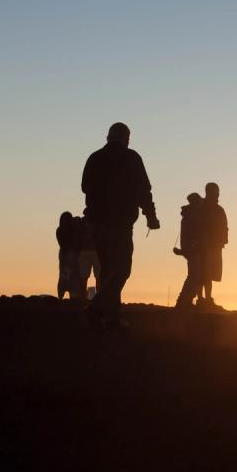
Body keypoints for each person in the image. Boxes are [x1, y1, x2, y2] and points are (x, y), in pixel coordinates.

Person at [81, 122, 160, 330]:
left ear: (108, 137)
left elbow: (85, 187)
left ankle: (112, 317)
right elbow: (144, 190)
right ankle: (97, 308)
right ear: (126, 138)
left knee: (108, 270)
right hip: (120, 224)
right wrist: (150, 216)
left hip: (97, 223)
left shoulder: (95, 157)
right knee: (122, 269)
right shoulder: (131, 158)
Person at [199, 182, 228, 309]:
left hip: (215, 246)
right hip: (203, 246)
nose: (217, 195)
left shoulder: (218, 209)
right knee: (202, 273)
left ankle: (206, 298)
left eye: (218, 192)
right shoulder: (201, 207)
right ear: (208, 192)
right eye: (216, 192)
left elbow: (224, 227)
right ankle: (201, 299)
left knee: (209, 274)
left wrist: (222, 241)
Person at [173, 193, 204, 308]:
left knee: (193, 276)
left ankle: (185, 300)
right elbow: (194, 235)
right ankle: (183, 301)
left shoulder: (188, 216)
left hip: (190, 249)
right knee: (193, 276)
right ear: (196, 203)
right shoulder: (192, 218)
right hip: (193, 250)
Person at [56, 211, 80, 299]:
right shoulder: (73, 229)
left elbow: (61, 243)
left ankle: (61, 295)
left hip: (64, 253)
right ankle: (73, 296)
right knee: (73, 275)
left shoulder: (59, 230)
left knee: (63, 274)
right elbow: (75, 241)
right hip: (71, 253)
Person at [75, 216, 100, 298]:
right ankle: (98, 298)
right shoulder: (101, 220)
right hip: (96, 251)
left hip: (88, 251)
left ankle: (83, 297)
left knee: (84, 277)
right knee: (98, 277)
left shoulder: (81, 222)